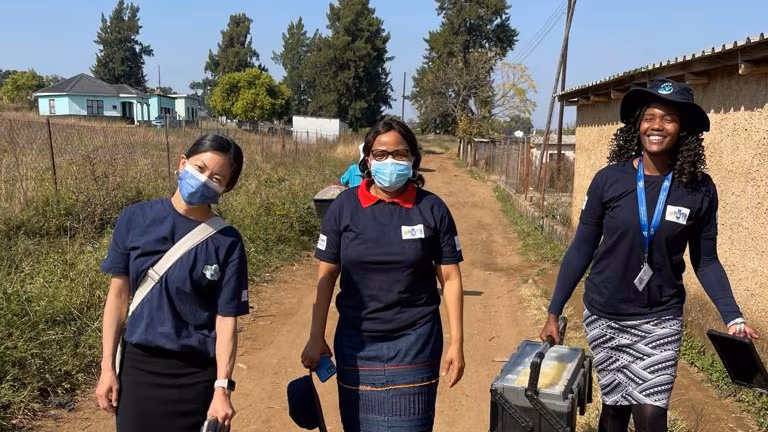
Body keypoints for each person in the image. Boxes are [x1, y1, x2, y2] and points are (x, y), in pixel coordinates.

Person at [539, 78, 759, 432]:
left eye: (669, 118)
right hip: (606, 314)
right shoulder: (609, 180)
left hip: (660, 317)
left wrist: (732, 316)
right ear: (637, 124)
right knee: (615, 409)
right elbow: (582, 247)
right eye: (649, 117)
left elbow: (706, 260)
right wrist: (554, 311)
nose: (657, 125)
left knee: (652, 414)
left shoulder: (699, 189)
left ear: (683, 128)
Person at [301, 117, 465, 431]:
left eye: (400, 154)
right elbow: (326, 276)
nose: (390, 161)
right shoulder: (344, 207)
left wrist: (457, 343)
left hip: (416, 340)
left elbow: (451, 279)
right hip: (356, 343)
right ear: (367, 159)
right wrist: (315, 336)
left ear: (414, 159)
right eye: (380, 154)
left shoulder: (433, 209)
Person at [95, 133, 249, 432]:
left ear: (226, 189)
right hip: (138, 369)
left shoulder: (227, 242)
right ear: (182, 163)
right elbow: (118, 296)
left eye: (216, 178)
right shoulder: (135, 218)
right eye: (199, 168)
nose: (204, 180)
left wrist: (222, 389)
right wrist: (106, 368)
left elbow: (226, 319)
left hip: (196, 377)